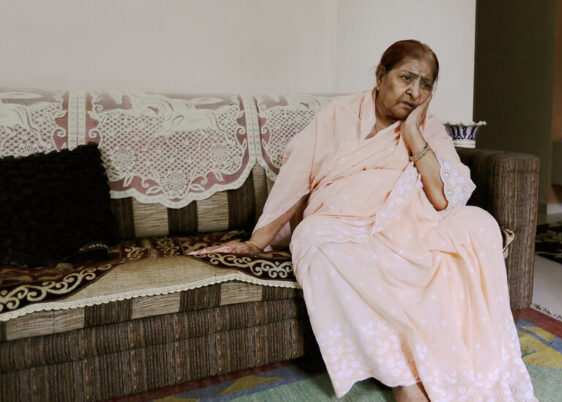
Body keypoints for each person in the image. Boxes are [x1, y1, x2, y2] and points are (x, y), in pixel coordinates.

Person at [191, 40, 536, 401]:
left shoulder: (428, 128)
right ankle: (404, 378)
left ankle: (461, 364)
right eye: (406, 78)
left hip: (411, 225)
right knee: (312, 237)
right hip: (344, 224)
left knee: (478, 224)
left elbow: (442, 198)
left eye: (426, 84)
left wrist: (413, 133)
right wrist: (256, 242)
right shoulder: (337, 116)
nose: (414, 92)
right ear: (380, 75)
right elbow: (295, 177)